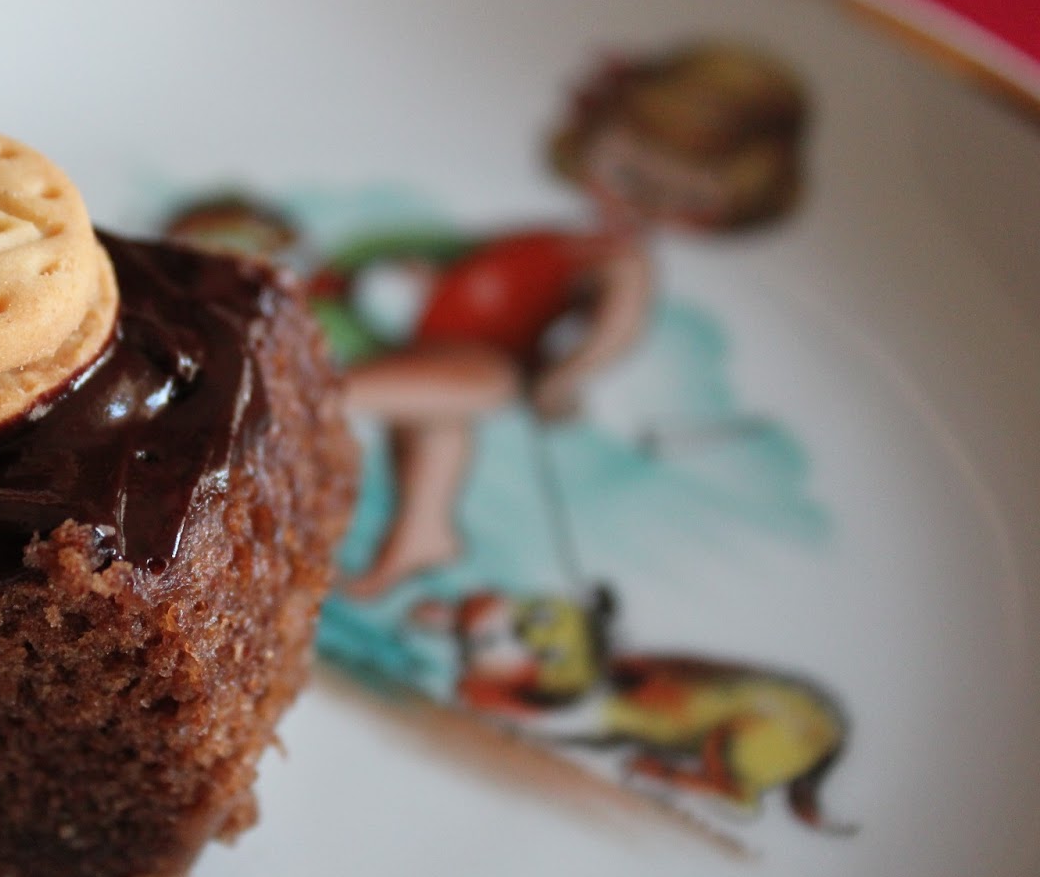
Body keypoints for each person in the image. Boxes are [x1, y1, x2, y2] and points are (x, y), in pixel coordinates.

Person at [340, 42, 808, 597]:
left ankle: (404, 524)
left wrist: (566, 377)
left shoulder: (622, 261)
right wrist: (430, 277)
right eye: (628, 176)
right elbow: (495, 276)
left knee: (333, 394)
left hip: (485, 363)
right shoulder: (568, 240)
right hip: (440, 340)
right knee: (427, 431)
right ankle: (424, 533)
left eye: (676, 198)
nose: (636, 202)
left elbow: (615, 330)